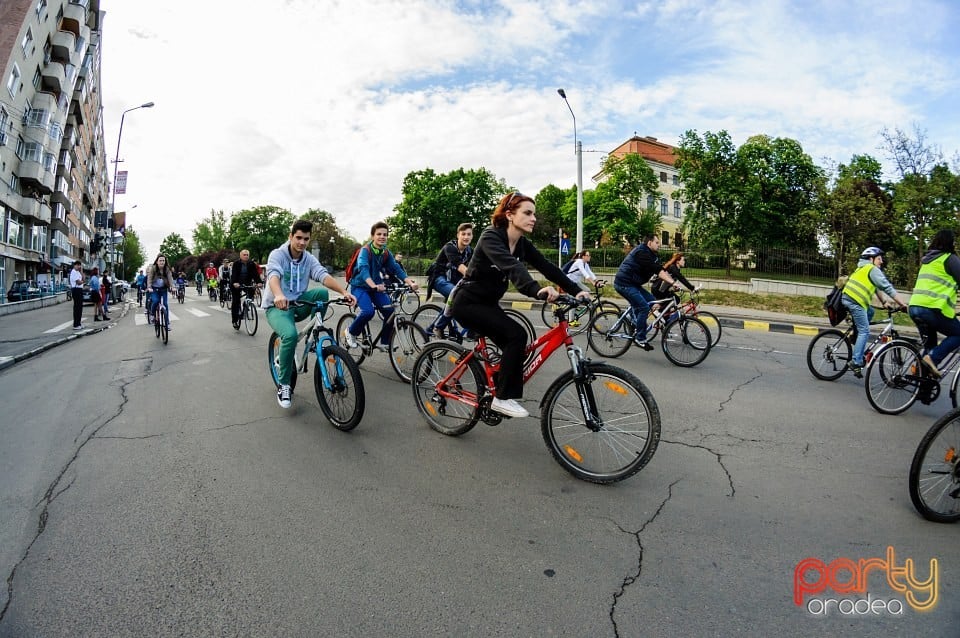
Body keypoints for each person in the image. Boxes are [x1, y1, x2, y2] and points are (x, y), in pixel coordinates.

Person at [450, 192, 591, 418]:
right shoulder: (490, 237)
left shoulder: (522, 243)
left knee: (516, 345)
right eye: (527, 213)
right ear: (509, 215)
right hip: (468, 303)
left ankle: (496, 386)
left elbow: (548, 268)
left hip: (487, 303)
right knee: (516, 335)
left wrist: (578, 290)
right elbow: (512, 268)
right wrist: (536, 289)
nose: (533, 218)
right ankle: (501, 398)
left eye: (533, 213)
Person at [264, 219, 356, 409]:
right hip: (278, 307)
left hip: (299, 304)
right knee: (289, 335)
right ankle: (284, 384)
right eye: (298, 238)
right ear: (290, 237)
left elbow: (323, 276)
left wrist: (344, 292)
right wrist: (279, 294)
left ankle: (314, 335)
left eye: (306, 239)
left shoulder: (308, 258)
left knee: (322, 294)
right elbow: (273, 276)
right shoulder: (278, 255)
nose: (302, 243)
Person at [343, 222, 418, 351]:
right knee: (368, 312)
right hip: (360, 286)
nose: (382, 237)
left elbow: (395, 268)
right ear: (372, 236)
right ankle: (350, 332)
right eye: (379, 234)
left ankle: (384, 342)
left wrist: (409, 282)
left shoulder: (385, 252)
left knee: (389, 311)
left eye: (385, 234)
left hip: (376, 286)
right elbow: (363, 268)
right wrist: (373, 285)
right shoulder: (365, 251)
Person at [842, 247, 908, 378]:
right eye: (879, 258)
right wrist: (903, 304)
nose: (881, 261)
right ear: (871, 259)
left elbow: (877, 287)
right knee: (865, 330)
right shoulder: (872, 269)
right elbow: (887, 287)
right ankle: (856, 361)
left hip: (849, 298)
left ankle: (854, 334)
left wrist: (884, 302)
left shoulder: (863, 268)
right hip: (855, 301)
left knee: (870, 312)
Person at [613, 234, 683, 350]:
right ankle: (640, 338)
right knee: (644, 308)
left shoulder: (652, 254)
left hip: (633, 284)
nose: (659, 244)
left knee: (654, 303)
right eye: (656, 242)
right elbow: (657, 270)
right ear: (649, 243)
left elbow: (659, 270)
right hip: (624, 283)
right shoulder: (642, 252)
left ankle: (634, 319)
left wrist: (670, 283)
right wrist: (673, 282)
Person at [908, 230, 960, 378]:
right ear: (951, 242)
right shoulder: (950, 259)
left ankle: (921, 383)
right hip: (931, 310)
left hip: (914, 308)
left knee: (930, 345)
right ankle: (932, 358)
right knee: (958, 334)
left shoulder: (927, 260)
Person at [428, 222, 474, 338]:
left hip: (454, 281)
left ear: (472, 236)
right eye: (463, 234)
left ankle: (431, 328)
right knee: (457, 296)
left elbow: (477, 266)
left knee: (457, 301)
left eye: (469, 234)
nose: (466, 237)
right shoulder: (450, 247)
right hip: (439, 278)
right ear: (458, 235)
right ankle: (438, 327)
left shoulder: (469, 251)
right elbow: (460, 266)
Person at [230, 249, 263, 329]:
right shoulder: (236, 264)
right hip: (236, 283)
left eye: (247, 255)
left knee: (251, 291)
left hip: (247, 282)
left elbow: (255, 274)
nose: (246, 256)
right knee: (236, 301)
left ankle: (246, 305)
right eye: (244, 255)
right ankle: (235, 320)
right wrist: (235, 283)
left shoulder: (251, 264)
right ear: (240, 256)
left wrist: (259, 282)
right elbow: (234, 274)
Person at [146, 254, 177, 329]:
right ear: (157, 261)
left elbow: (170, 278)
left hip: (163, 289)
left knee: (165, 304)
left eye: (163, 260)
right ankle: (152, 315)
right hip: (154, 289)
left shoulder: (167, 269)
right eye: (160, 260)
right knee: (156, 301)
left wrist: (172, 287)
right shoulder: (153, 268)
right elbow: (149, 279)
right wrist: (149, 287)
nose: (162, 262)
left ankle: (167, 324)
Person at [69, 260, 84, 330]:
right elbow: (78, 282)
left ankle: (79, 323)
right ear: (74, 265)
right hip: (76, 289)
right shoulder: (73, 272)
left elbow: (83, 278)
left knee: (80, 307)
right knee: (77, 307)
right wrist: (82, 281)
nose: (79, 267)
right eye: (77, 265)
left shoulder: (78, 272)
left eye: (79, 265)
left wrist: (81, 271)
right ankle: (76, 324)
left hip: (80, 290)